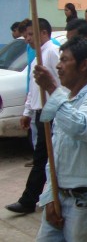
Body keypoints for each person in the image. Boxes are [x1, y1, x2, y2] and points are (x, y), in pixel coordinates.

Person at [33, 36, 87, 240]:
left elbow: (80, 128)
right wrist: (50, 196)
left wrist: (52, 88)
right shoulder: (66, 98)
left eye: (64, 60)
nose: (58, 67)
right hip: (60, 195)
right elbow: (56, 153)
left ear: (84, 65)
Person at [5, 19, 60, 215]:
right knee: (43, 158)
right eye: (26, 35)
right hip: (40, 112)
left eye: (30, 34)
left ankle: (29, 200)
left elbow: (61, 85)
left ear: (44, 33)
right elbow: (34, 89)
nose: (27, 39)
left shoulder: (52, 53)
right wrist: (27, 112)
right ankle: (36, 198)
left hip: (52, 114)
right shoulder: (38, 56)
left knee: (43, 159)